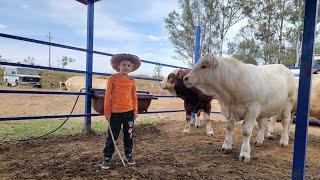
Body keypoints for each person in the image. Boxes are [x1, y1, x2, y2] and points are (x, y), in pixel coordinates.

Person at [101, 53, 141, 170]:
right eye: (123, 64)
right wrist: (107, 112)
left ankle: (128, 154)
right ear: (118, 66)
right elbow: (108, 95)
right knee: (113, 135)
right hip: (115, 113)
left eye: (129, 65)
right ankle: (107, 156)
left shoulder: (131, 80)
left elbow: (134, 96)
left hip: (129, 112)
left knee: (129, 134)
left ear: (131, 68)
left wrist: (135, 110)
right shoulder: (112, 79)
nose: (126, 67)